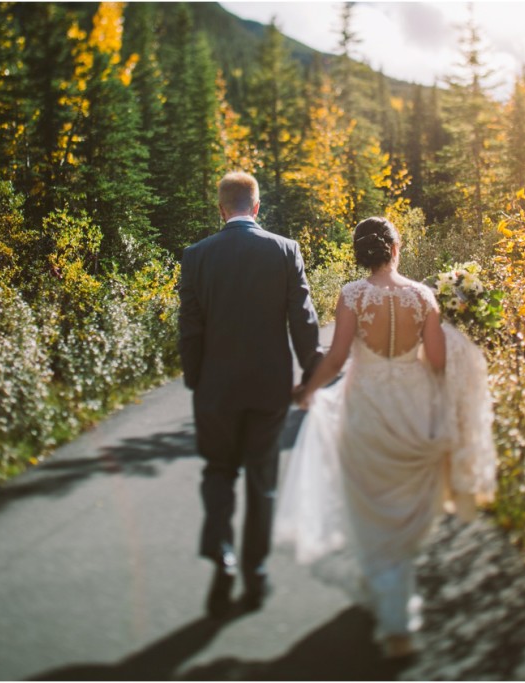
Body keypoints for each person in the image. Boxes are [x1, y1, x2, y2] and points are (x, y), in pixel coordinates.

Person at [276, 216, 497, 658]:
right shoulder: (423, 296)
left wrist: (308, 389)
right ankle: (393, 600)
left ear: (363, 253)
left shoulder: (352, 296)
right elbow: (436, 361)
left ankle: (391, 611)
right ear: (396, 249)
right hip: (414, 410)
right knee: (404, 509)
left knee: (369, 501)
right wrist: (458, 339)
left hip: (367, 409)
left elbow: (337, 357)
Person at [179, 171, 322, 619]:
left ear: (221, 209)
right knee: (262, 480)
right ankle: (255, 574)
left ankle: (222, 553)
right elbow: (303, 318)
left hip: (215, 387)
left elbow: (190, 326)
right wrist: (311, 377)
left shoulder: (196, 256)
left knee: (219, 471)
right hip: (268, 386)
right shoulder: (284, 250)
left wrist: (195, 378)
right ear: (256, 207)